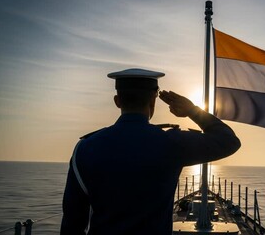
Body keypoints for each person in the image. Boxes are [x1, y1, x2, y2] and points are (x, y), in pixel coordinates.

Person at [60, 68, 241, 235]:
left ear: (117, 101)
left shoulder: (86, 148)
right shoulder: (172, 143)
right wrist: (192, 111)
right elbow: (228, 141)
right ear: (154, 99)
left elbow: (72, 222)